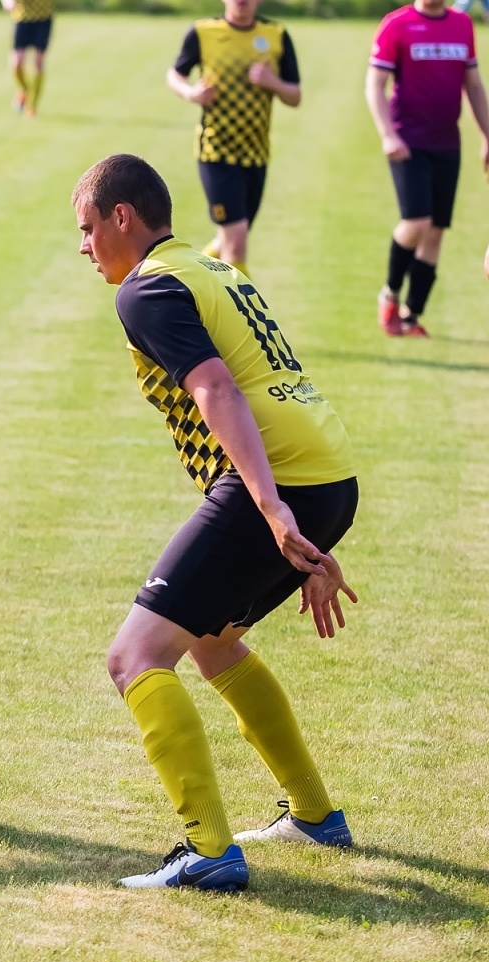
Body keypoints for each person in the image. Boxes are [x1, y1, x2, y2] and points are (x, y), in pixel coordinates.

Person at [73, 154, 359, 892]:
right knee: (212, 639)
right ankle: (315, 815)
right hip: (328, 474)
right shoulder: (212, 269)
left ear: (122, 217)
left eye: (88, 228)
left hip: (282, 479)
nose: (84, 247)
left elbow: (218, 388)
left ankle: (208, 851)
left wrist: (272, 509)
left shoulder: (145, 288)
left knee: (134, 656)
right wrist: (306, 521)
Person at [367, 0, 489, 337]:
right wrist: (387, 135)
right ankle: (390, 292)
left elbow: (473, 85)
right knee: (417, 221)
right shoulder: (397, 24)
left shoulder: (462, 25)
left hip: (447, 142)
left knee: (435, 230)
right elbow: (375, 84)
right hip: (408, 142)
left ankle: (411, 315)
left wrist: (487, 135)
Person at [166, 0, 301, 277]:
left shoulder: (276, 34)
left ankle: (187, 282)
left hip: (256, 154)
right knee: (236, 243)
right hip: (216, 152)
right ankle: (244, 304)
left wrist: (272, 82)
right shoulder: (203, 32)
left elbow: (295, 96)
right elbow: (175, 74)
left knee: (229, 239)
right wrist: (191, 92)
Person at [2, 0, 54, 117]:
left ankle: (32, 106)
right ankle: (24, 89)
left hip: (43, 17)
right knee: (17, 61)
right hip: (22, 17)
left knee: (39, 61)